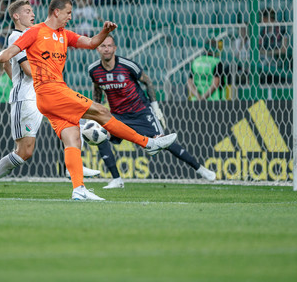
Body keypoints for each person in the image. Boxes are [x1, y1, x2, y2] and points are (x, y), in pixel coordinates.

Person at [0, 0, 177, 201]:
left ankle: (79, 189)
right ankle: (148, 143)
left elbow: (91, 43)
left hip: (50, 97)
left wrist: (104, 32)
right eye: (68, 13)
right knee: (101, 111)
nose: (70, 17)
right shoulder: (36, 31)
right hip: (50, 91)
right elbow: (11, 51)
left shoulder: (65, 34)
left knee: (72, 136)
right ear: (57, 12)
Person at [0, 0, 100, 197]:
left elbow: (7, 64)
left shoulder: (35, 34)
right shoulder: (16, 36)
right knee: (25, 151)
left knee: (68, 123)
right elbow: (26, 69)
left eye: (32, 10)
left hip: (42, 93)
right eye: (27, 11)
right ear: (16, 16)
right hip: (27, 98)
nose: (32, 14)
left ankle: (74, 168)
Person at [89, 36, 216, 189]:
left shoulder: (127, 65)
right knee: (100, 136)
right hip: (118, 115)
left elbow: (148, 82)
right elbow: (97, 90)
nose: (107, 49)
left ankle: (201, 170)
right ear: (97, 48)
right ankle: (117, 179)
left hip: (141, 112)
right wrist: (97, 112)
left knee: (164, 142)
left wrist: (155, 107)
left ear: (115, 48)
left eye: (109, 46)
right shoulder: (94, 70)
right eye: (103, 46)